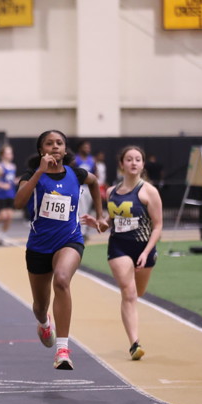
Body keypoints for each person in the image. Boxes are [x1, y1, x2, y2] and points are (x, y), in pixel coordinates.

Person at [14, 130, 105, 370]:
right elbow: (19, 202)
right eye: (49, 143)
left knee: (62, 279)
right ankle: (45, 323)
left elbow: (95, 183)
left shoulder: (77, 174)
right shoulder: (31, 176)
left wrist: (100, 215)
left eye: (59, 143)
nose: (55, 146)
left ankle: (62, 350)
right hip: (39, 246)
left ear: (65, 150)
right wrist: (39, 172)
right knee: (40, 306)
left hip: (69, 239)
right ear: (41, 150)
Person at [81, 146, 163, 360]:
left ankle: (133, 333)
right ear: (121, 164)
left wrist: (146, 252)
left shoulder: (149, 192)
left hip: (144, 247)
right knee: (129, 293)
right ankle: (135, 344)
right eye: (129, 159)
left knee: (138, 293)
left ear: (143, 165)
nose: (134, 163)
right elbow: (111, 221)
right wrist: (97, 223)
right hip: (119, 247)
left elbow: (158, 226)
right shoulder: (112, 192)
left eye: (138, 159)